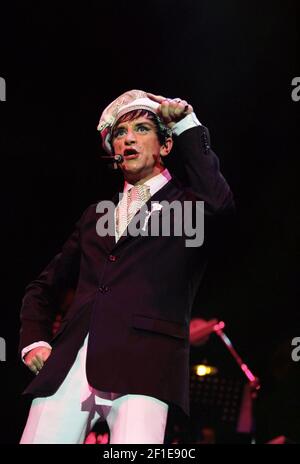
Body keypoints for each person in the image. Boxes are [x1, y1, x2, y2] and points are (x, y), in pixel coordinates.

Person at [19, 89, 234, 444]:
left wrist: (186, 125)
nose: (128, 138)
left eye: (142, 129)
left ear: (165, 146)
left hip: (145, 366)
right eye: (120, 133)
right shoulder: (96, 216)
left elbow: (220, 205)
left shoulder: (188, 207)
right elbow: (43, 286)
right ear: (114, 152)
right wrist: (34, 341)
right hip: (70, 365)